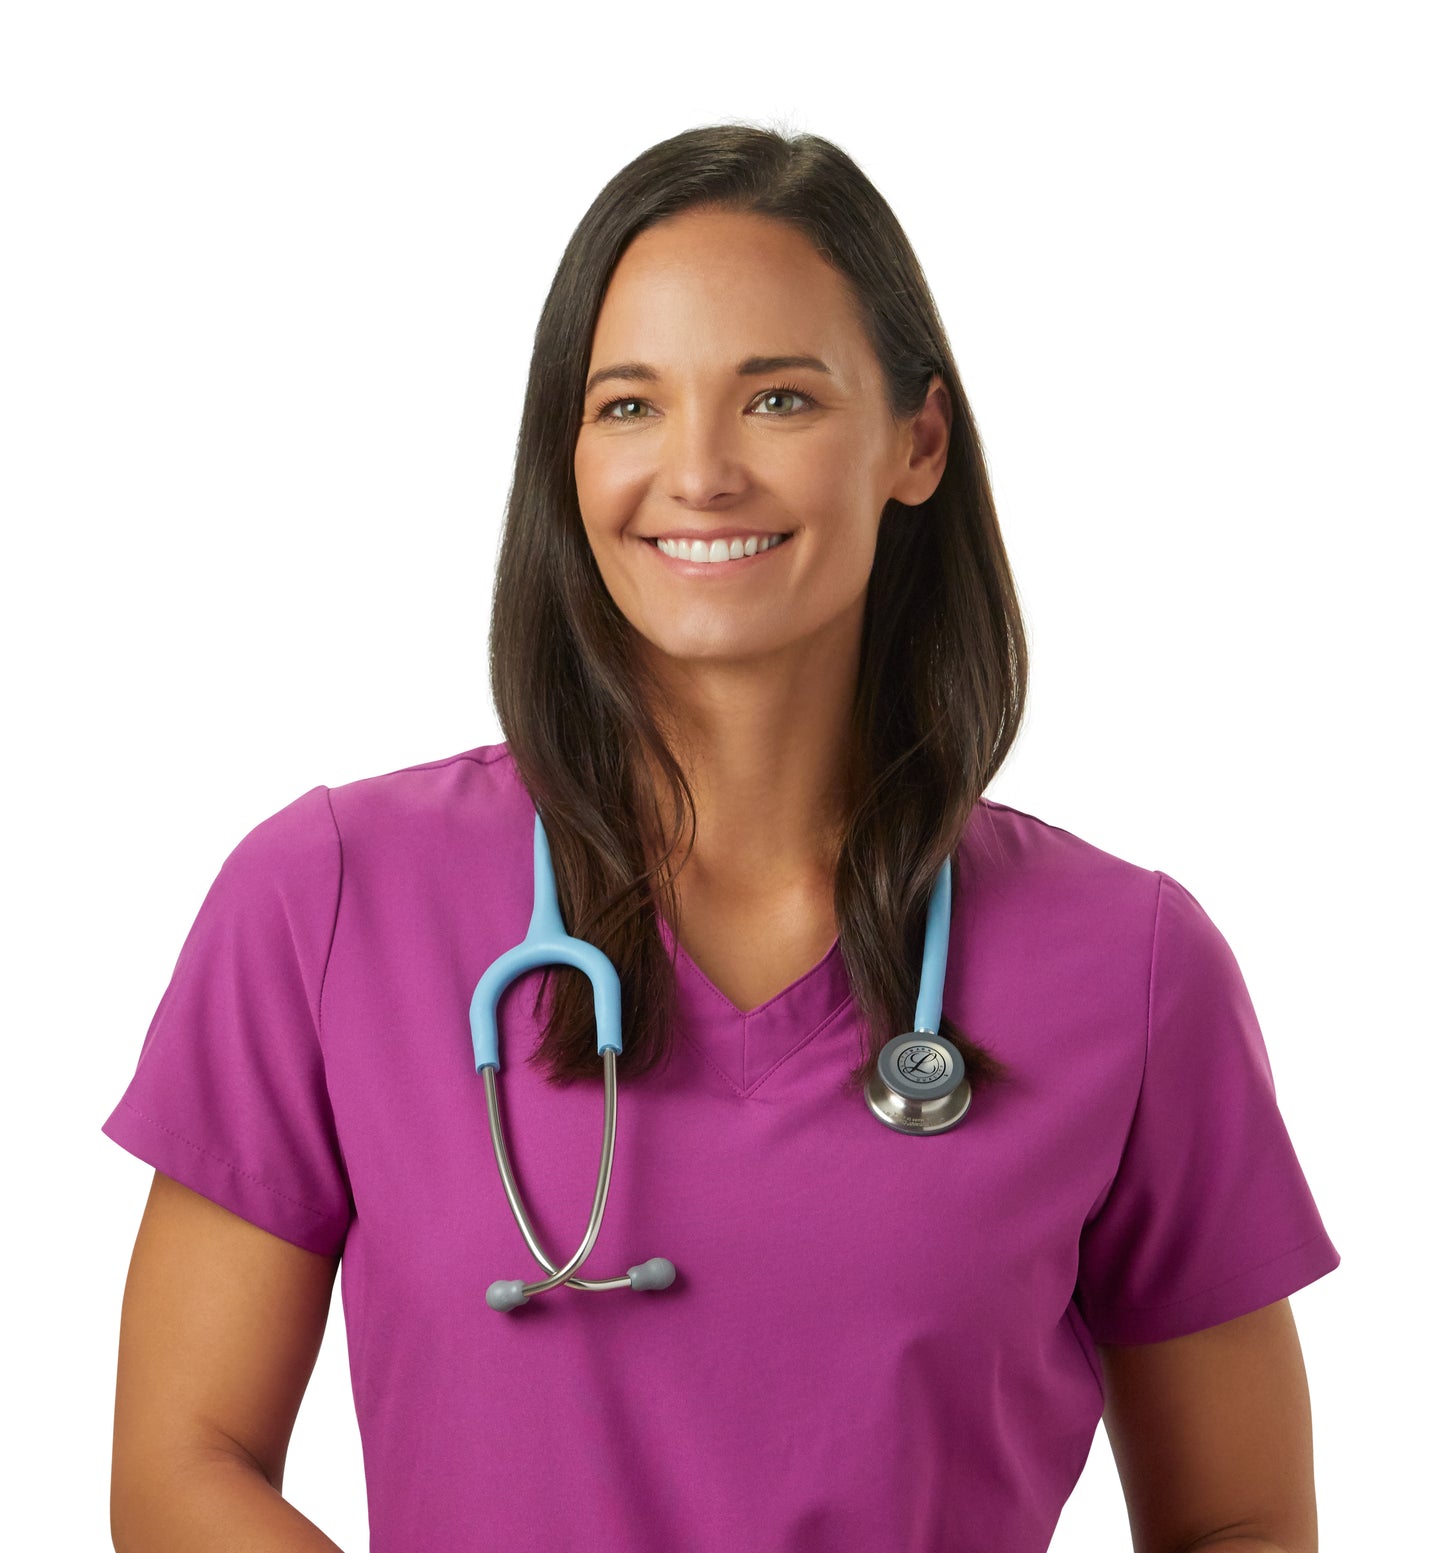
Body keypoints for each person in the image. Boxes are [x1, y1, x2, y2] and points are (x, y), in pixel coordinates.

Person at [103, 123, 1341, 1553]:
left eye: (778, 400)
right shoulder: (325, 903)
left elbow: (1240, 1518)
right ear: (564, 452)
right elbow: (181, 1468)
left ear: (915, 443)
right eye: (628, 405)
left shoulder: (1128, 964)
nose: (697, 472)